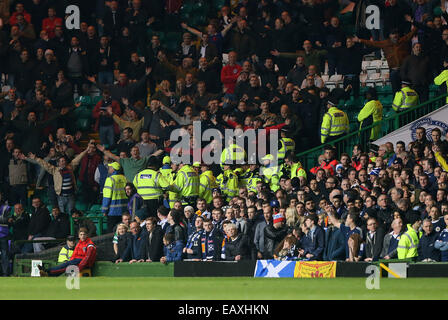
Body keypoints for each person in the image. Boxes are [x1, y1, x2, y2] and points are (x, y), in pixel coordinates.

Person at [102, 162, 128, 233]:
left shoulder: (110, 179)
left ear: (113, 169)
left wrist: (104, 210)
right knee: (123, 231)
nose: (109, 169)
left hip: (112, 211)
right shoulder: (124, 178)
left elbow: (107, 197)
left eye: (110, 167)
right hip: (124, 210)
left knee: (111, 232)